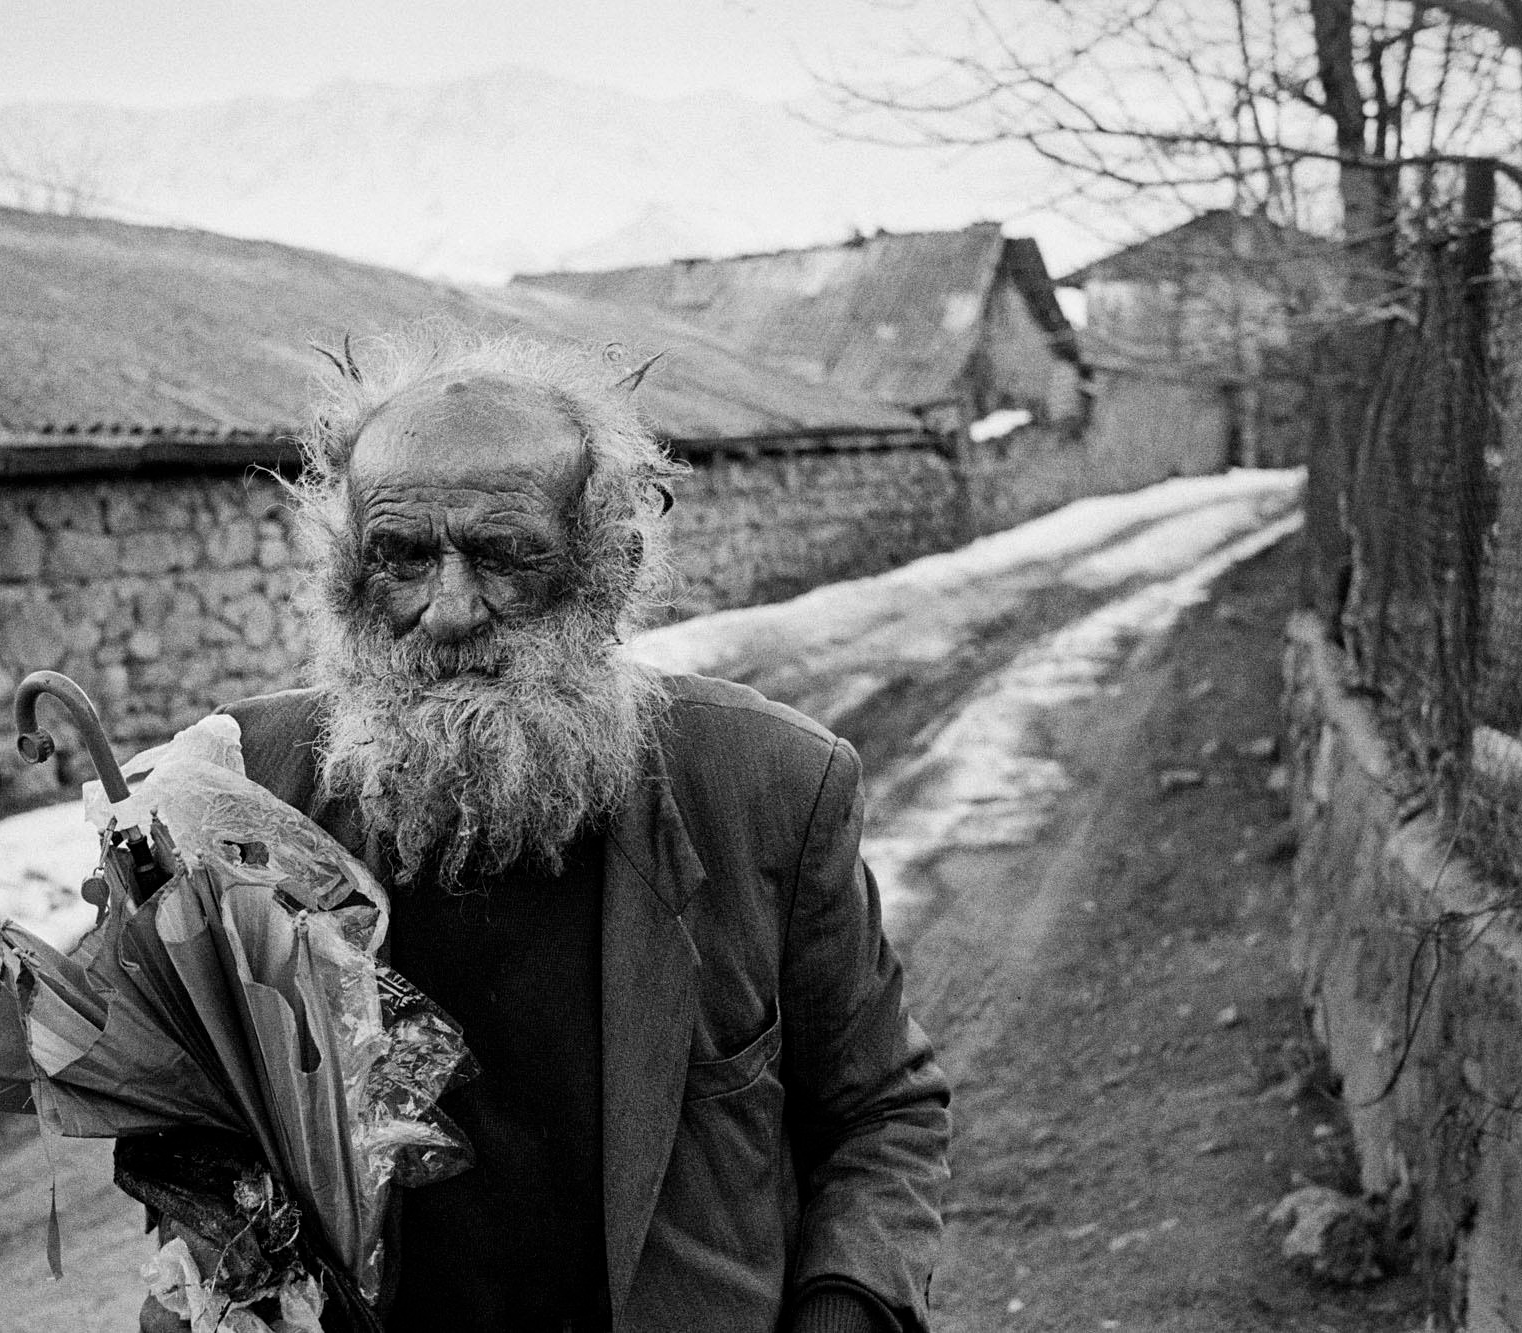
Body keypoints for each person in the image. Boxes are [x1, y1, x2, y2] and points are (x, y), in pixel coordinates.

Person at [139, 325, 949, 1333]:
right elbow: (185, 1131)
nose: (446, 610)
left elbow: (878, 1113)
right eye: (399, 559)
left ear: (601, 569)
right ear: (344, 575)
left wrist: (845, 1315)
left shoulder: (767, 786)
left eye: (500, 558)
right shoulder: (245, 788)